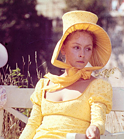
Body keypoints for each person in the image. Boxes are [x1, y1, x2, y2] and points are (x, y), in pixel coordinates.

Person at [19, 11, 112, 139]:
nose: (82, 54)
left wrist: (95, 128)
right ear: (63, 49)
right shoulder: (44, 84)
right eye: (76, 47)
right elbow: (32, 124)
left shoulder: (97, 86)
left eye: (88, 48)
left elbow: (98, 121)